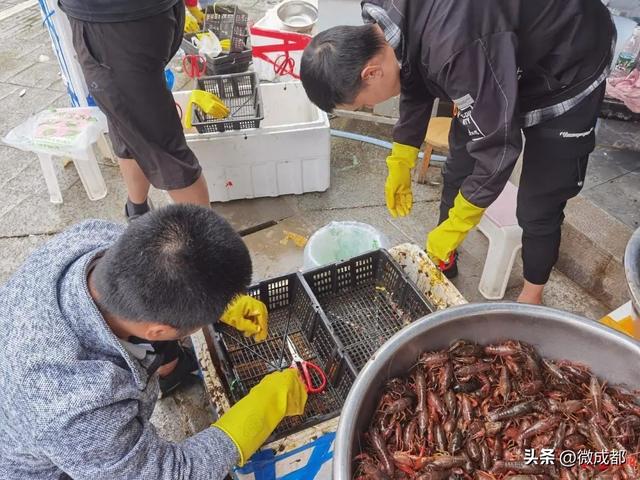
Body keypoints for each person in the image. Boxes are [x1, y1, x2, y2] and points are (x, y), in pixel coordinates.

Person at [300, 0, 614, 304]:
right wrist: (402, 156)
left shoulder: (455, 51)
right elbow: (412, 71)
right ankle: (443, 260)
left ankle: (531, 296)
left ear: (370, 72)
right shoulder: (383, 24)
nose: (370, 106)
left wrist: (460, 221)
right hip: (491, 59)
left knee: (539, 204)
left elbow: (500, 148)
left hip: (567, 60)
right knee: (458, 169)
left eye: (362, 103)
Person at [0, 205, 307, 479]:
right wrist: (263, 410)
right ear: (157, 330)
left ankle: (171, 370)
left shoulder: (96, 237)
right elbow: (168, 472)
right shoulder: (74, 407)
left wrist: (218, 302)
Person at [59, 0, 210, 219]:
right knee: (126, 123)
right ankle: (137, 212)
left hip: (115, 25)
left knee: (164, 149)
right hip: (149, 15)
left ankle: (212, 247)